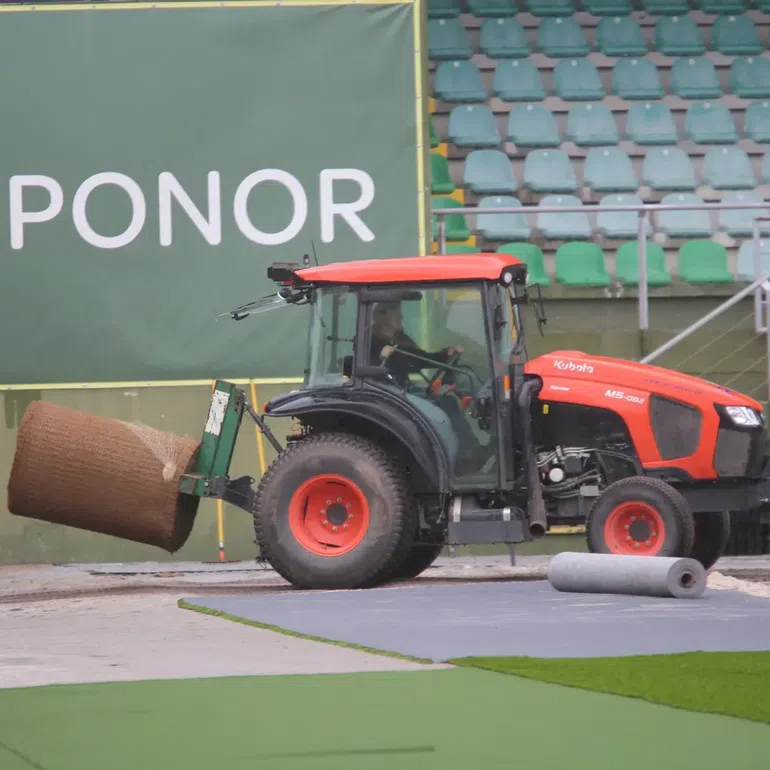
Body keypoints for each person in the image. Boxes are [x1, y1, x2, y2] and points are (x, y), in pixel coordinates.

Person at [369, 302, 489, 472]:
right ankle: (460, 458)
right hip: (387, 395)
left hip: (404, 390)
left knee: (447, 401)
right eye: (396, 313)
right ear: (381, 317)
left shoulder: (399, 338)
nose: (401, 317)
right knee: (445, 407)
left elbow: (420, 359)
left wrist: (445, 353)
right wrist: (381, 357)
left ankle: (471, 451)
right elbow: (366, 370)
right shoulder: (368, 341)